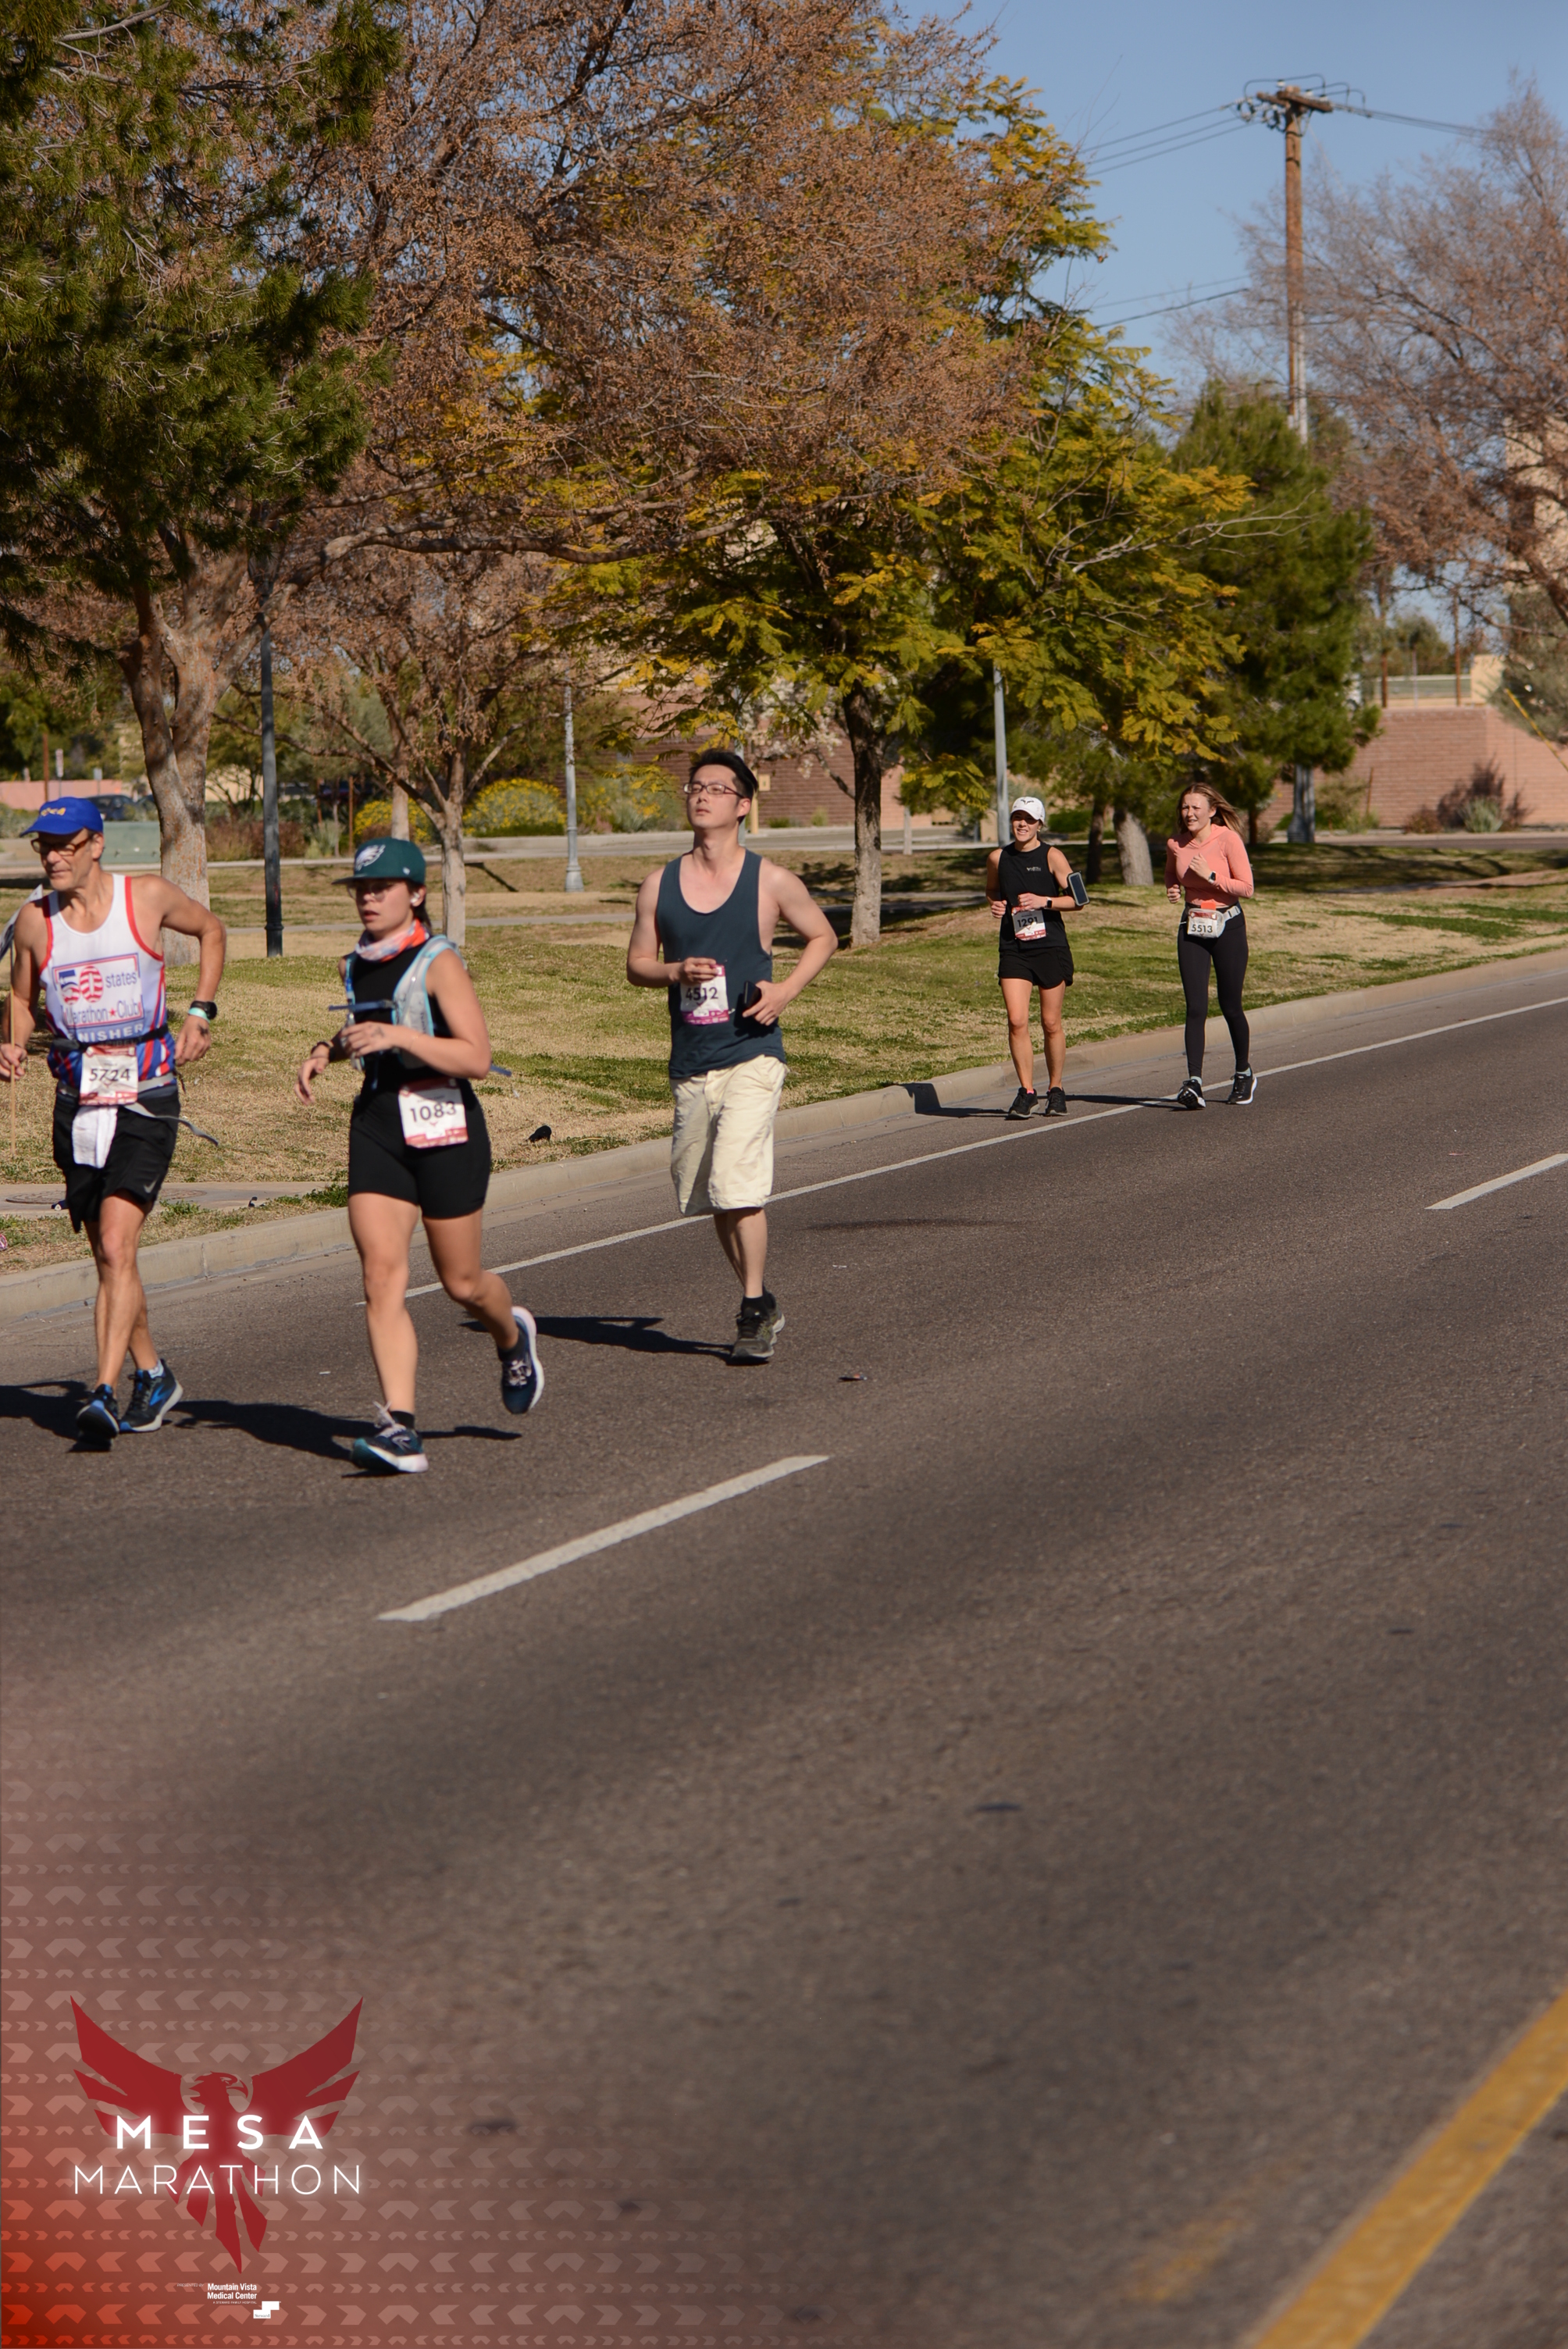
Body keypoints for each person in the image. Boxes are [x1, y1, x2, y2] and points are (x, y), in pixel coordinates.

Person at [294, 836, 542, 1473]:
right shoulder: (354, 962)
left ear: (416, 894)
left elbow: (477, 1057)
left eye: (382, 888)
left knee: (463, 1283)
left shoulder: (439, 961)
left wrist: (397, 1034)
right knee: (380, 1276)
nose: (369, 898)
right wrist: (327, 1051)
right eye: (361, 889)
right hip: (379, 1126)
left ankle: (511, 1334)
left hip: (445, 1125)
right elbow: (364, 1032)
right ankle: (399, 1428)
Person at [0, 797, 226, 1442]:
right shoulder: (34, 922)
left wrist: (200, 1011)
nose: (53, 857)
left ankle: (101, 1391)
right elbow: (22, 997)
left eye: (65, 844)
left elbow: (212, 930)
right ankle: (152, 1373)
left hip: (146, 1094)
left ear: (96, 845)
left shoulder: (145, 898)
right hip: (78, 1103)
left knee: (120, 1244)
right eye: (44, 845)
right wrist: (12, 1040)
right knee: (108, 1253)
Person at [625, 749, 837, 1363]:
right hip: (692, 1059)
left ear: (743, 805)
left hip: (753, 1050)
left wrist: (785, 990)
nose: (702, 795)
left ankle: (749, 1311)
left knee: (737, 1183)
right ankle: (762, 1298)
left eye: (717, 789)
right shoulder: (659, 884)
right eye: (696, 786)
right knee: (710, 1194)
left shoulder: (770, 880)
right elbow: (637, 964)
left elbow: (823, 936)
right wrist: (673, 971)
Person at [985, 796, 1085, 1119]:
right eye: (1018, 817)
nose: (1022, 824)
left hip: (1049, 946)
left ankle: (1056, 1089)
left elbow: (1079, 899)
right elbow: (992, 890)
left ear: (1040, 824)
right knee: (1016, 1021)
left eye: (1029, 819)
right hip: (1014, 946)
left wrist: (1045, 901)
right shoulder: (998, 858)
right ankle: (1027, 1092)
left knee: (1050, 1023)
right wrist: (995, 904)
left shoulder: (1052, 856)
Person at [1165, 781, 1256, 1108]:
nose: (1189, 814)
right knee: (1195, 1007)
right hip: (1193, 925)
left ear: (1212, 810)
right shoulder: (1176, 843)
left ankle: (1244, 1072)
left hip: (1228, 924)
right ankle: (1194, 1082)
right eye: (1185, 807)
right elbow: (1172, 874)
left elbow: (1247, 888)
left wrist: (1212, 877)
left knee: (1230, 1005)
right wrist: (1173, 888)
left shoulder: (1228, 839)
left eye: (1196, 808)